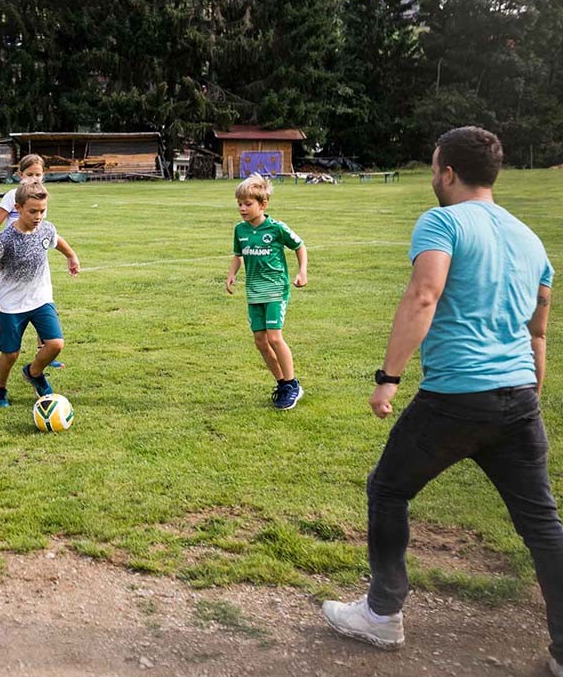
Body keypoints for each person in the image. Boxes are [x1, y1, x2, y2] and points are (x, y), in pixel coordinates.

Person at [321, 127, 561, 676]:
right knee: (542, 525)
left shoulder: (443, 221)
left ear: (448, 172)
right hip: (519, 398)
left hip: (456, 396)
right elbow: (538, 333)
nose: (433, 177)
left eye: (434, 168)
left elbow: (424, 294)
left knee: (388, 488)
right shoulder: (531, 239)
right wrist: (529, 397)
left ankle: (382, 614)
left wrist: (389, 377)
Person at [0, 180, 79, 407]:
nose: (38, 216)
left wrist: (71, 255)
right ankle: (0, 389)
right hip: (12, 306)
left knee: (56, 344)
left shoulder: (46, 228)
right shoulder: (5, 239)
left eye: (42, 210)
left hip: (41, 300)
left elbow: (56, 241)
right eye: (32, 211)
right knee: (10, 354)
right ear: (18, 208)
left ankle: (34, 373)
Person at [224, 173, 308, 410]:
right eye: (239, 204)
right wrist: (232, 274)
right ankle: (282, 384)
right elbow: (238, 255)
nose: (242, 208)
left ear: (263, 205)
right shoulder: (240, 230)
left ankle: (292, 384)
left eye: (248, 204)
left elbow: (300, 246)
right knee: (260, 341)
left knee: (274, 336)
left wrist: (302, 272)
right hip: (254, 291)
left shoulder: (277, 228)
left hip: (275, 289)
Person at [0, 154, 62, 369]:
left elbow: (45, 230)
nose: (33, 179)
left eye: (38, 175)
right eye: (29, 174)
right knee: (9, 308)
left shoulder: (40, 197)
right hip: (10, 253)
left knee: (39, 300)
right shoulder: (13, 196)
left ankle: (46, 350)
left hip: (34, 256)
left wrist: (69, 255)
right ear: (20, 175)